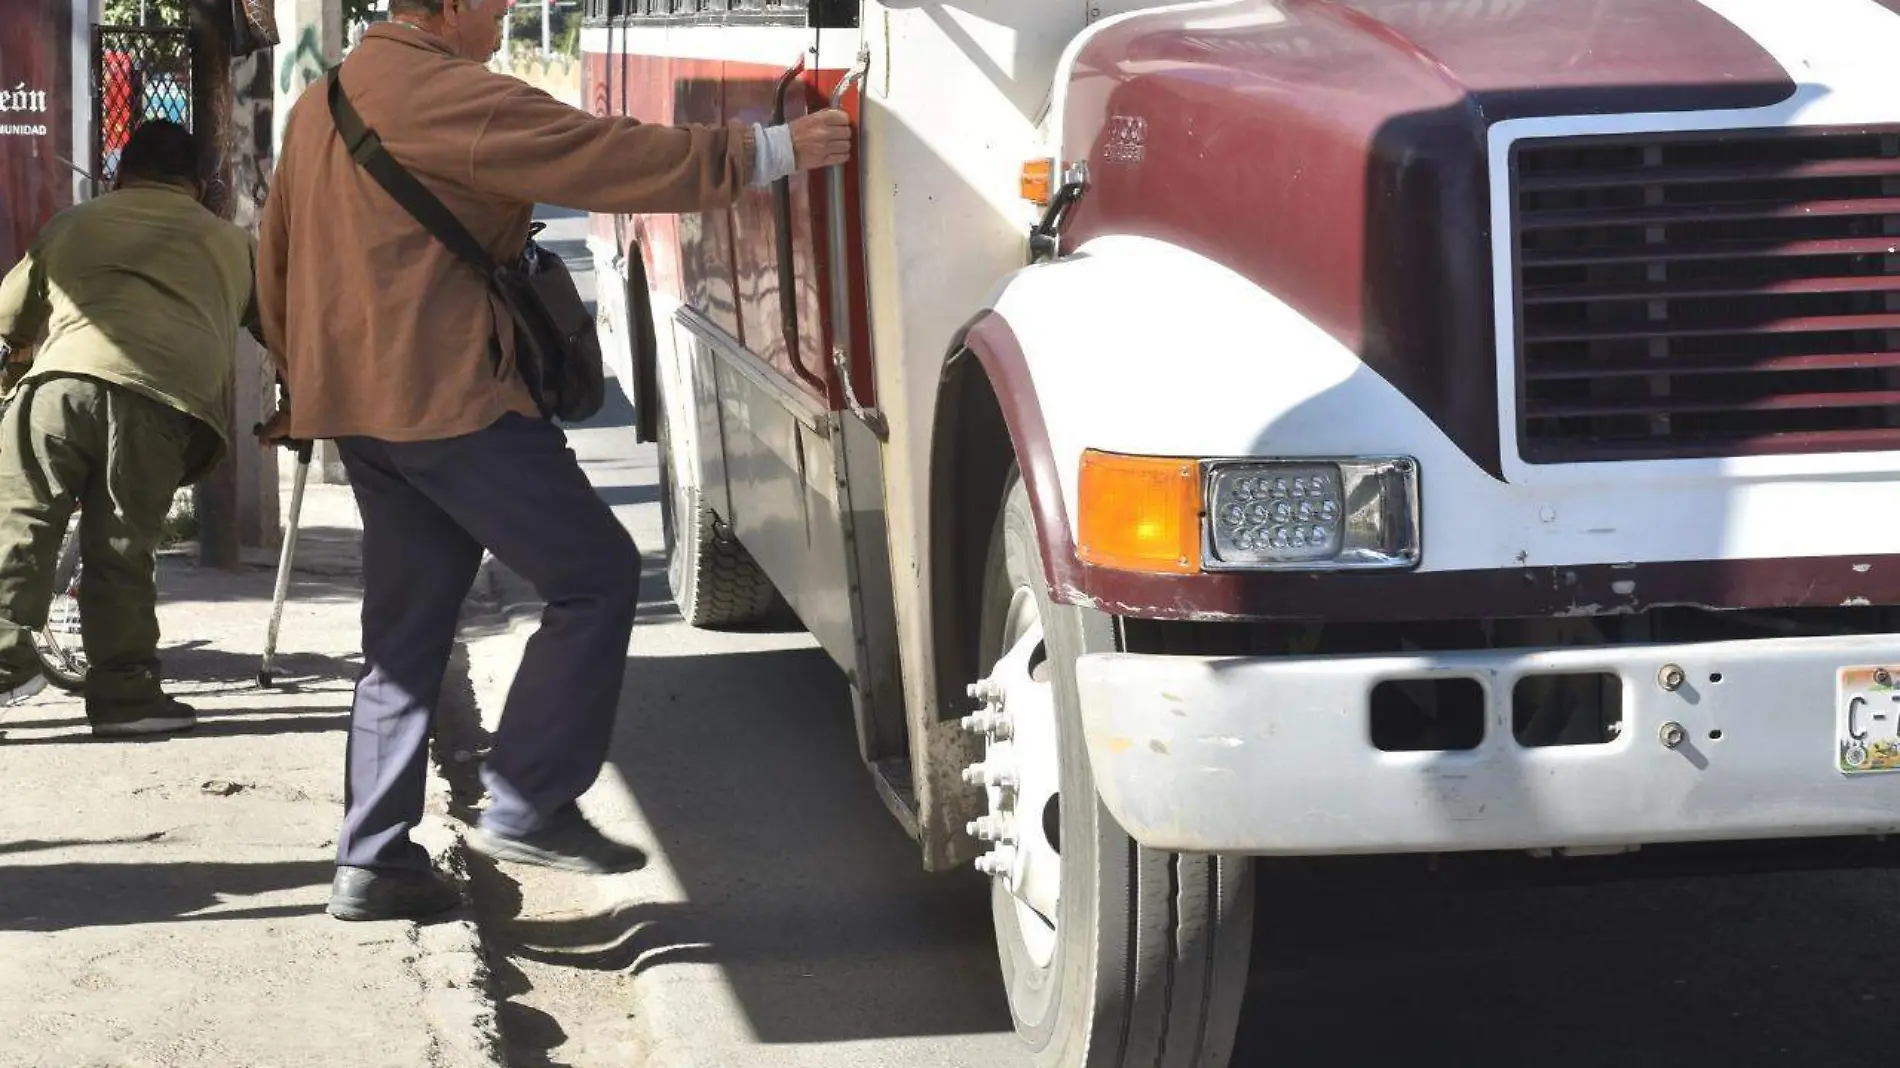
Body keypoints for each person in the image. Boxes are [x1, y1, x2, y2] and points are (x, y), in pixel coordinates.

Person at [256, 0, 853, 923]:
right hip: (451, 399)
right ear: (448, 9)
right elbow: (606, 155)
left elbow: (276, 263)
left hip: (361, 414)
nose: (502, 14)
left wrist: (305, 390)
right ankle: (531, 799)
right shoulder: (452, 95)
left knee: (404, 643)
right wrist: (772, 152)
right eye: (492, 1)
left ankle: (372, 860)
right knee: (597, 575)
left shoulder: (318, 100)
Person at [0, 119, 257, 733]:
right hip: (160, 402)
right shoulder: (231, 241)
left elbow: (10, 318)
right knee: (119, 548)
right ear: (199, 184)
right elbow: (282, 326)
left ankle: (4, 664)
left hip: (57, 390)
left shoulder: (74, 222)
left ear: (120, 174)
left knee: (17, 525)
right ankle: (124, 698)